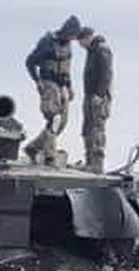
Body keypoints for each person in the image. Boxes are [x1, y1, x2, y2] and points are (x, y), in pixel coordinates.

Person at [22, 15, 81, 166]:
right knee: (53, 118)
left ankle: (33, 147)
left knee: (62, 122)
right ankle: (50, 157)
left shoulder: (67, 45)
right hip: (48, 83)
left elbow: (66, 68)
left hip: (61, 86)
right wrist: (37, 81)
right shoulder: (47, 43)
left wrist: (69, 86)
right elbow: (30, 61)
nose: (74, 39)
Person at [76, 26, 113, 173]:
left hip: (98, 97)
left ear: (88, 37)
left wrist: (99, 94)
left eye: (81, 41)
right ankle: (89, 162)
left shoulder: (101, 50)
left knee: (97, 129)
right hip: (89, 95)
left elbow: (106, 74)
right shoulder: (91, 51)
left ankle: (97, 164)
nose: (80, 44)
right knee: (87, 129)